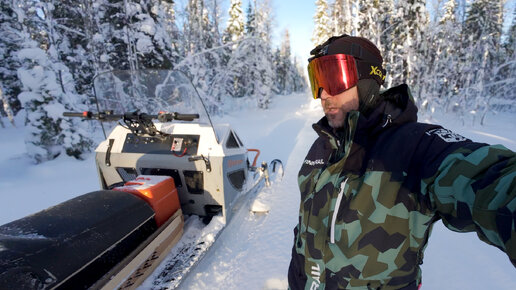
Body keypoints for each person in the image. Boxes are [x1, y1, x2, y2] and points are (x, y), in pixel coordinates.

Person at [287, 34, 516, 290]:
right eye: (317, 80)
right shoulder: (322, 145)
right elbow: (305, 232)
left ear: (367, 80)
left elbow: (492, 180)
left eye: (333, 77)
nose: (324, 94)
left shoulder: (415, 147)